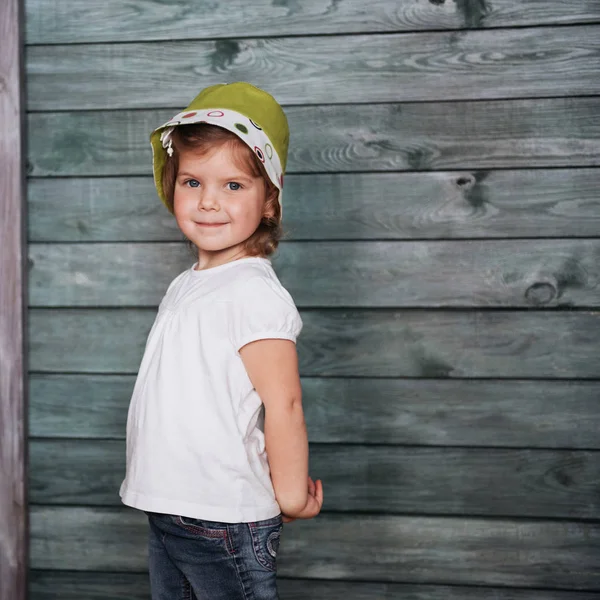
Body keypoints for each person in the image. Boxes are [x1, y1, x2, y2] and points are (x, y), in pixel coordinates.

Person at [119, 82, 324, 600]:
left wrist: (292, 495)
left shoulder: (253, 292)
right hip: (173, 508)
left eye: (233, 186)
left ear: (270, 201)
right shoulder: (188, 283)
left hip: (223, 519)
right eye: (192, 181)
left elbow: (285, 403)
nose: (209, 201)